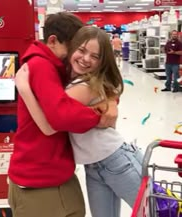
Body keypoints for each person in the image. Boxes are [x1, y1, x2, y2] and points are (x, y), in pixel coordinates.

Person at [16, 26, 143, 217]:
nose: (85, 59)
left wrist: (24, 89)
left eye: (95, 56)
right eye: (82, 50)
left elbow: (51, 125)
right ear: (73, 48)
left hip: (115, 160)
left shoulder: (82, 86)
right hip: (93, 165)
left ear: (102, 62)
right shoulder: (75, 81)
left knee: (156, 211)